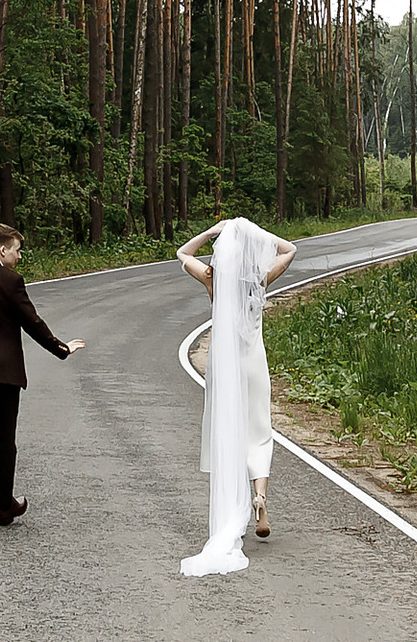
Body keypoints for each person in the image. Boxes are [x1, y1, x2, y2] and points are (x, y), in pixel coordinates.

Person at [0, 221, 85, 538]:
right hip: (4, 371)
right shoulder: (11, 281)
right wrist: (61, 348)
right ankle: (5, 506)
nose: (19, 257)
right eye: (17, 251)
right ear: (3, 249)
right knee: (5, 440)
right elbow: (32, 322)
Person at [175, 215, 294, 574]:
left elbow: (182, 252)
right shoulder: (258, 279)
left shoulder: (213, 278)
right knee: (259, 430)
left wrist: (213, 231)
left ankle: (233, 502)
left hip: (224, 366)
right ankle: (260, 497)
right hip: (254, 362)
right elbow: (290, 249)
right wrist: (253, 231)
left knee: (229, 430)